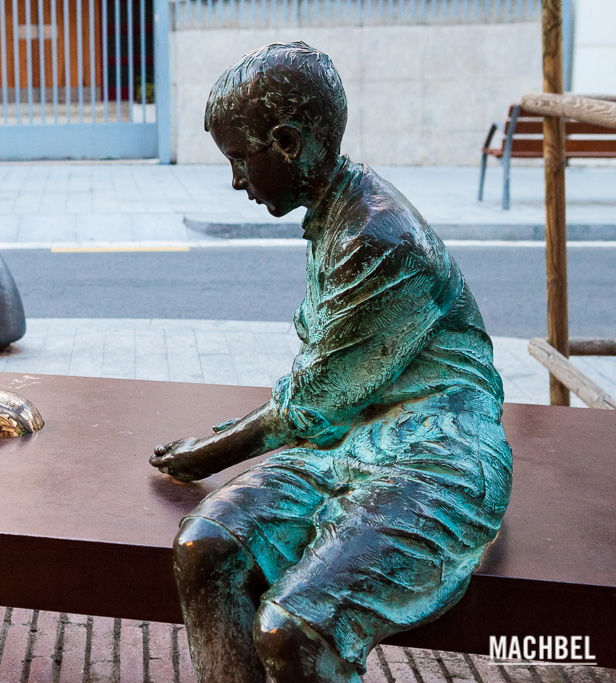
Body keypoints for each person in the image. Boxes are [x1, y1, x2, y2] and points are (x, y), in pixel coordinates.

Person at [149, 42, 512, 682]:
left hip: (438, 458)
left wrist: (203, 455)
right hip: (351, 443)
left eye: (240, 158)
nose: (236, 180)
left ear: (287, 143)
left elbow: (312, 404)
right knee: (205, 548)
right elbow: (326, 406)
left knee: (295, 629)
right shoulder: (335, 212)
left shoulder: (379, 238)